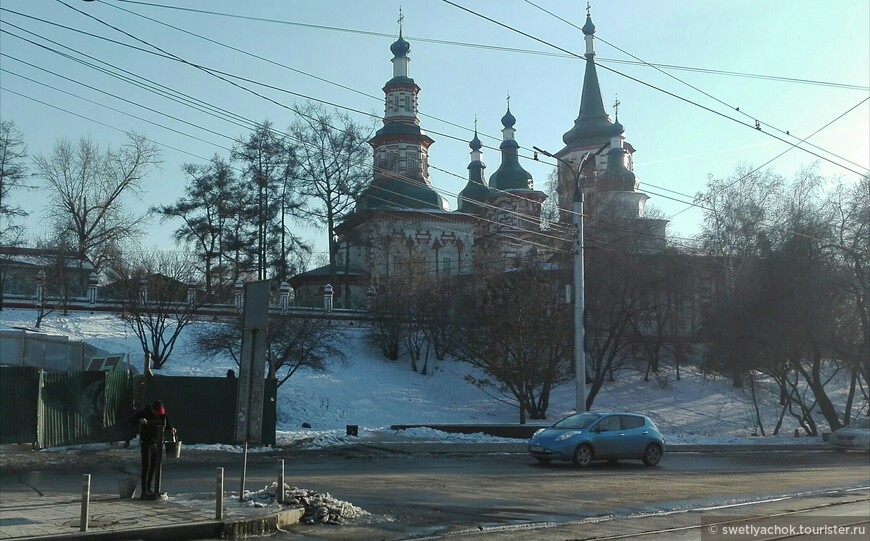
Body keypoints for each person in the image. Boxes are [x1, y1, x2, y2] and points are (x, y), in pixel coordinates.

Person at [131, 400, 175, 499]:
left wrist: (171, 428)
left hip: (157, 443)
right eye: (157, 412)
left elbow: (166, 424)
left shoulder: (162, 414)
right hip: (146, 442)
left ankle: (149, 488)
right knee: (146, 466)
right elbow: (131, 421)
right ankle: (144, 491)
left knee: (154, 466)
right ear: (152, 410)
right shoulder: (145, 412)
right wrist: (140, 421)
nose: (159, 414)